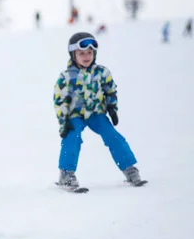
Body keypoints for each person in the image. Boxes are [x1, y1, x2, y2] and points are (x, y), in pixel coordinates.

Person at [53, 32, 145, 188]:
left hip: (96, 113)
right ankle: (66, 173)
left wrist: (112, 107)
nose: (86, 56)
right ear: (73, 54)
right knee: (72, 137)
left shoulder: (102, 72)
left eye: (89, 52)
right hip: (75, 115)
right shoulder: (67, 76)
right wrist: (64, 121)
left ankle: (129, 169)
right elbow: (59, 99)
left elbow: (110, 90)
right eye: (81, 53)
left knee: (113, 136)